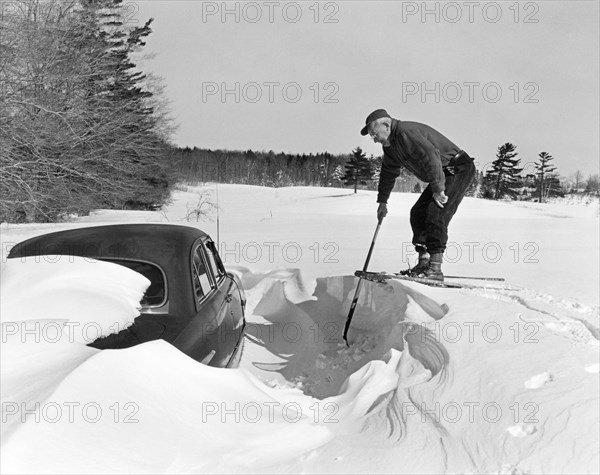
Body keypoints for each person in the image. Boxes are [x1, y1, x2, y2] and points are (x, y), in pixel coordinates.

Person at [361, 109, 475, 281]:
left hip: (457, 169)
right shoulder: (391, 147)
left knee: (435, 213)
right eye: (371, 136)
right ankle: (424, 262)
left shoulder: (406, 133)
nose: (374, 139)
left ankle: (435, 269)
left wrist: (438, 189)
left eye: (374, 134)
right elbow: (388, 172)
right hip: (442, 173)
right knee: (418, 213)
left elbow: (431, 156)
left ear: (386, 125)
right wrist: (383, 201)